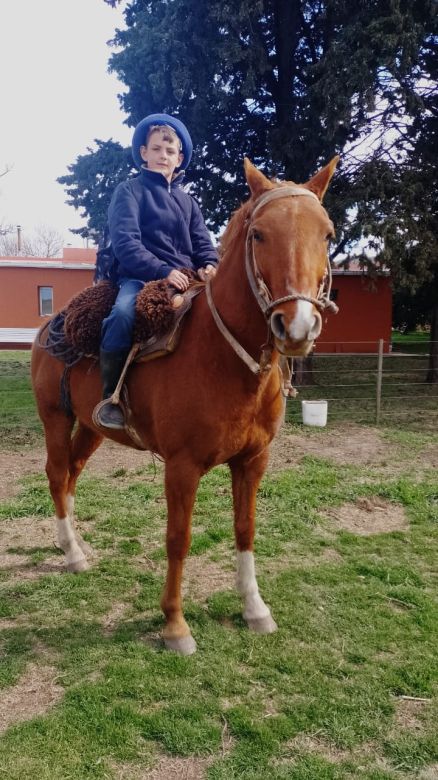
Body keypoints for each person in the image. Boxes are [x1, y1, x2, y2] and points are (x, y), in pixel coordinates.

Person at [96, 113, 218, 430]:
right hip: (138, 276)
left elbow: (203, 243)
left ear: (179, 158)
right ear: (144, 153)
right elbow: (126, 244)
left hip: (188, 280)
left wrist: (210, 264)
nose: (163, 155)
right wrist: (164, 271)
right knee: (122, 314)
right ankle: (112, 396)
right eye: (157, 148)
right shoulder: (129, 191)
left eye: (170, 150)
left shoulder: (189, 202)